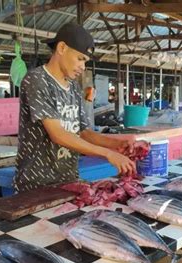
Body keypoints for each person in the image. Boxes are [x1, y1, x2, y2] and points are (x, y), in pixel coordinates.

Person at [14, 22, 136, 192]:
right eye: (80, 59)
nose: (83, 67)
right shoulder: (37, 80)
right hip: (37, 186)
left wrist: (116, 144)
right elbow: (57, 134)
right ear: (62, 48)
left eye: (85, 61)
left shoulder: (73, 88)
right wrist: (107, 154)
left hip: (69, 181)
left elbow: (84, 133)